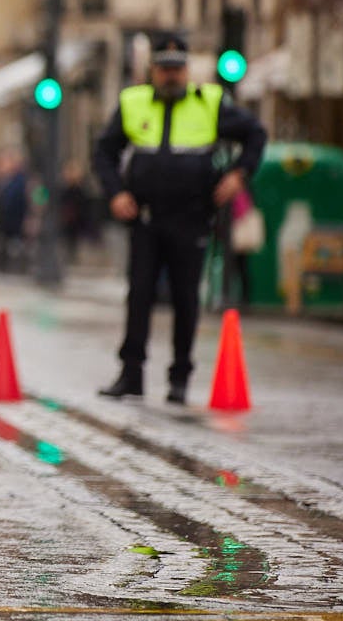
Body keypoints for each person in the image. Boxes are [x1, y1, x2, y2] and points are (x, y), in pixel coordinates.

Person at [92, 31, 266, 405]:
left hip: (191, 218)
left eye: (178, 69)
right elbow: (104, 151)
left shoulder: (210, 102)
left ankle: (180, 377)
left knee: (186, 298)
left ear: (187, 70)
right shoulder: (132, 102)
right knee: (139, 295)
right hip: (146, 219)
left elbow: (255, 134)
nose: (171, 76)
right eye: (164, 68)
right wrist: (116, 192)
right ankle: (131, 373)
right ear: (151, 70)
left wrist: (239, 174)